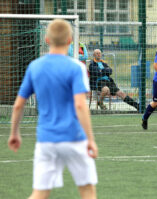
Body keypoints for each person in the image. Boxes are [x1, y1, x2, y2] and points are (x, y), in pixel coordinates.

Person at [8, 19, 98, 199]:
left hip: (46, 140)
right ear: (70, 40)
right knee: (87, 191)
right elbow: (80, 104)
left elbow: (18, 104)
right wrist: (90, 139)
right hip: (74, 138)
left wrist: (14, 133)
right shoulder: (76, 67)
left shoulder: (35, 67)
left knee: (40, 193)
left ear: (47, 40)